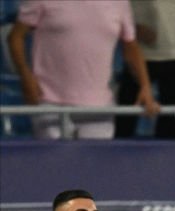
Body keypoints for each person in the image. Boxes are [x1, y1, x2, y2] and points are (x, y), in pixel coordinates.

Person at [7, 0, 159, 140]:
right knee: (53, 166)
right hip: (49, 102)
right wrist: (25, 75)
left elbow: (130, 46)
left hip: (99, 108)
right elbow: (15, 37)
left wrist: (145, 86)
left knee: (94, 167)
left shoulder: (119, 3)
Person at [116, 0, 175, 139]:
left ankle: (166, 161)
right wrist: (129, 28)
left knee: (171, 130)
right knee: (123, 125)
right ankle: (116, 160)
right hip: (138, 53)